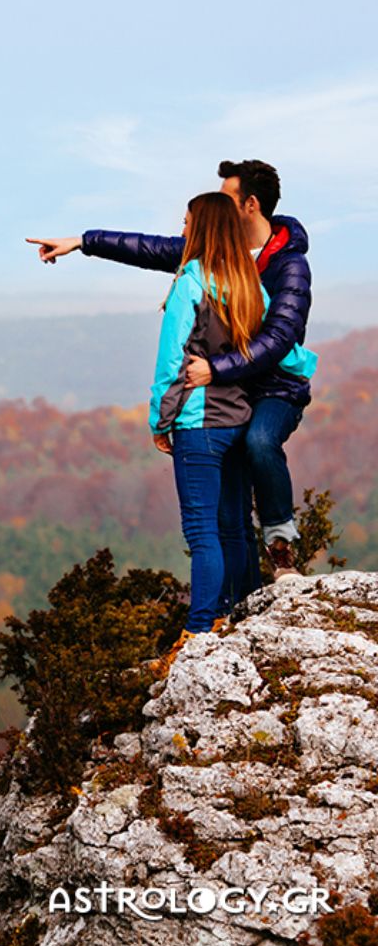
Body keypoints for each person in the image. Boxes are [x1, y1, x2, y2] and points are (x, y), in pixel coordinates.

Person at [27, 160, 312, 583]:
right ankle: (243, 598)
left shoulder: (289, 265)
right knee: (228, 509)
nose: (216, 203)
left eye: (226, 198)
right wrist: (81, 242)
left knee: (260, 441)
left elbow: (278, 340)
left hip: (273, 385)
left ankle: (280, 541)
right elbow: (146, 248)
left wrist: (215, 369)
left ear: (251, 205)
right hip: (228, 389)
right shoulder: (215, 251)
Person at [149, 193, 315, 656]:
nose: (181, 230)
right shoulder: (248, 283)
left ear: (201, 228)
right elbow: (275, 342)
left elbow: (171, 362)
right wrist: (304, 364)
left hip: (197, 422)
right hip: (239, 419)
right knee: (234, 527)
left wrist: (159, 421)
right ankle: (238, 611)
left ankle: (201, 629)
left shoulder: (190, 283)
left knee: (202, 531)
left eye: (185, 222)